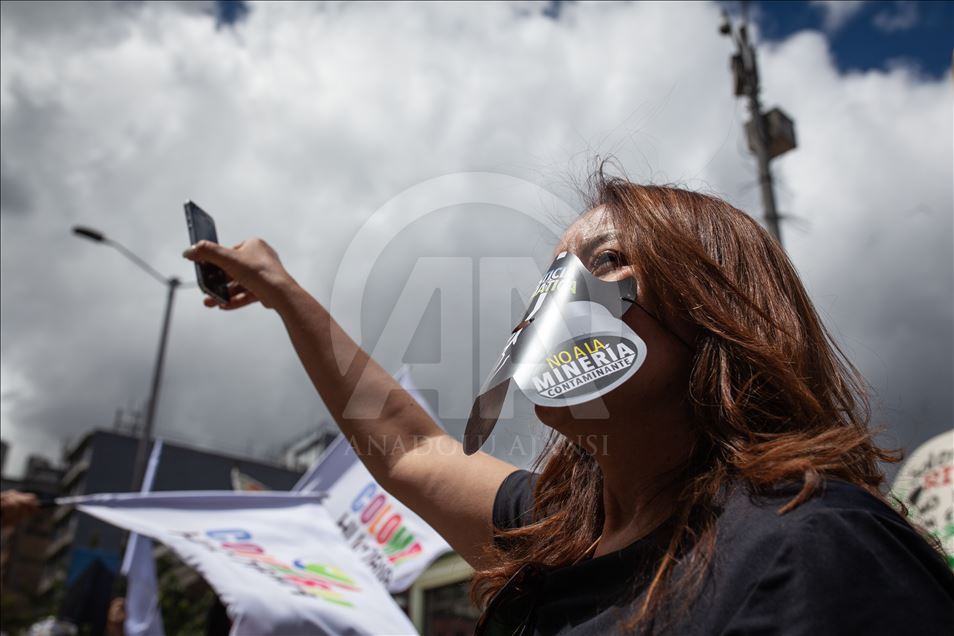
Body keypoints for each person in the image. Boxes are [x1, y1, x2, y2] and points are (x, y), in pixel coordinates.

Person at [183, 175, 954, 634]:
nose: (557, 301)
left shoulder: (815, 550)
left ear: (718, 309)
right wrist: (283, 292)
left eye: (607, 261)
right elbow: (410, 449)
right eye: (551, 277)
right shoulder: (557, 538)